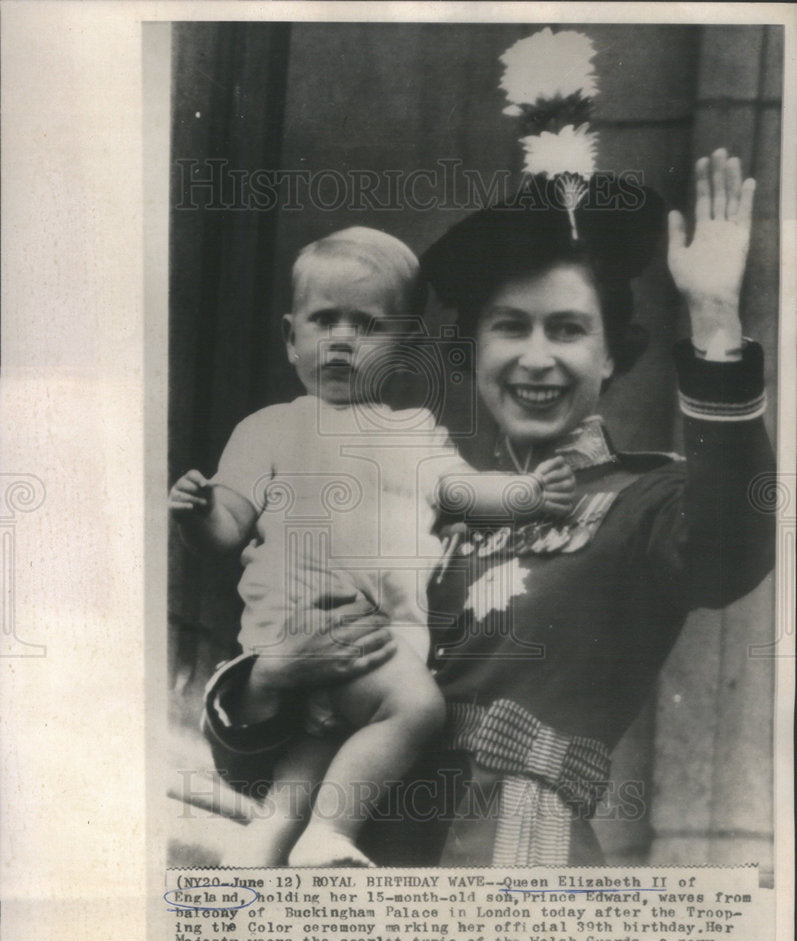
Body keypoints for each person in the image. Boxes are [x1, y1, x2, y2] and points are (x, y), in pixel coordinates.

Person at [202, 151, 775, 866]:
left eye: (566, 329)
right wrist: (270, 677)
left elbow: (730, 546)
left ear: (610, 354)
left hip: (515, 866)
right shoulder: (416, 505)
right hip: (348, 870)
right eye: (510, 327)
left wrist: (715, 318)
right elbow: (256, 765)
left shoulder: (643, 500)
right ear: (472, 349)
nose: (535, 358)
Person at [170, 226, 576, 866]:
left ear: (405, 348)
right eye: (324, 319)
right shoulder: (270, 430)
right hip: (296, 630)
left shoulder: (416, 435)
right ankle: (330, 833)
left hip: (374, 639)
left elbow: (468, 490)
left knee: (320, 747)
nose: (341, 339)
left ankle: (267, 839)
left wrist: (528, 494)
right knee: (415, 708)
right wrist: (197, 514)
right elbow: (226, 528)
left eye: (367, 326)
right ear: (291, 337)